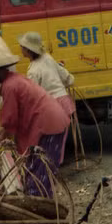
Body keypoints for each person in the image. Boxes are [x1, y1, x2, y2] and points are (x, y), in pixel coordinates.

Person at [0, 47, 71, 196]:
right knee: (35, 169)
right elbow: (11, 121)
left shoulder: (10, 86)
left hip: (48, 124)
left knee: (41, 171)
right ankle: (40, 203)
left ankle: (40, 209)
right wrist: (2, 132)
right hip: (49, 120)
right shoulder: (13, 79)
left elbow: (10, 120)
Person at [18, 31, 75, 162]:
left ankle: (50, 166)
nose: (21, 49)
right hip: (63, 102)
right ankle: (54, 164)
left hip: (51, 107)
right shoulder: (47, 58)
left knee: (46, 138)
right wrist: (69, 80)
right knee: (60, 139)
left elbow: (33, 95)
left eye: (22, 47)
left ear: (28, 50)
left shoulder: (33, 70)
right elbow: (67, 77)